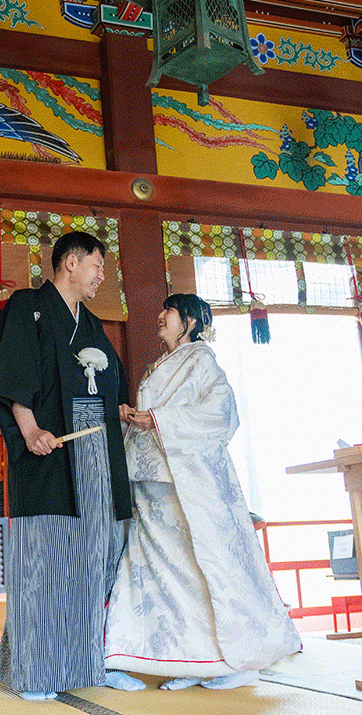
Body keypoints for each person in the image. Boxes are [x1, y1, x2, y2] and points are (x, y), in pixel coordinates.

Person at [104, 293, 301, 691]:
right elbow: (154, 418)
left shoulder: (201, 360)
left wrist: (159, 419)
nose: (160, 316)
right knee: (159, 573)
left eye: (169, 311)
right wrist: (132, 417)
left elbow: (222, 413)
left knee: (196, 570)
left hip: (186, 484)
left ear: (190, 322)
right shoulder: (159, 366)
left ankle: (231, 662)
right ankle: (187, 659)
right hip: (151, 482)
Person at [0, 231, 135, 700]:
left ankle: (93, 662)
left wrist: (120, 409)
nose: (102, 276)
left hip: (97, 457)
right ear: (71, 262)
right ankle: (37, 672)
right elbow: (15, 372)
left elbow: (110, 385)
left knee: (96, 558)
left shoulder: (90, 324)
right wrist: (30, 430)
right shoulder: (28, 306)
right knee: (48, 559)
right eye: (97, 265)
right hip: (51, 452)